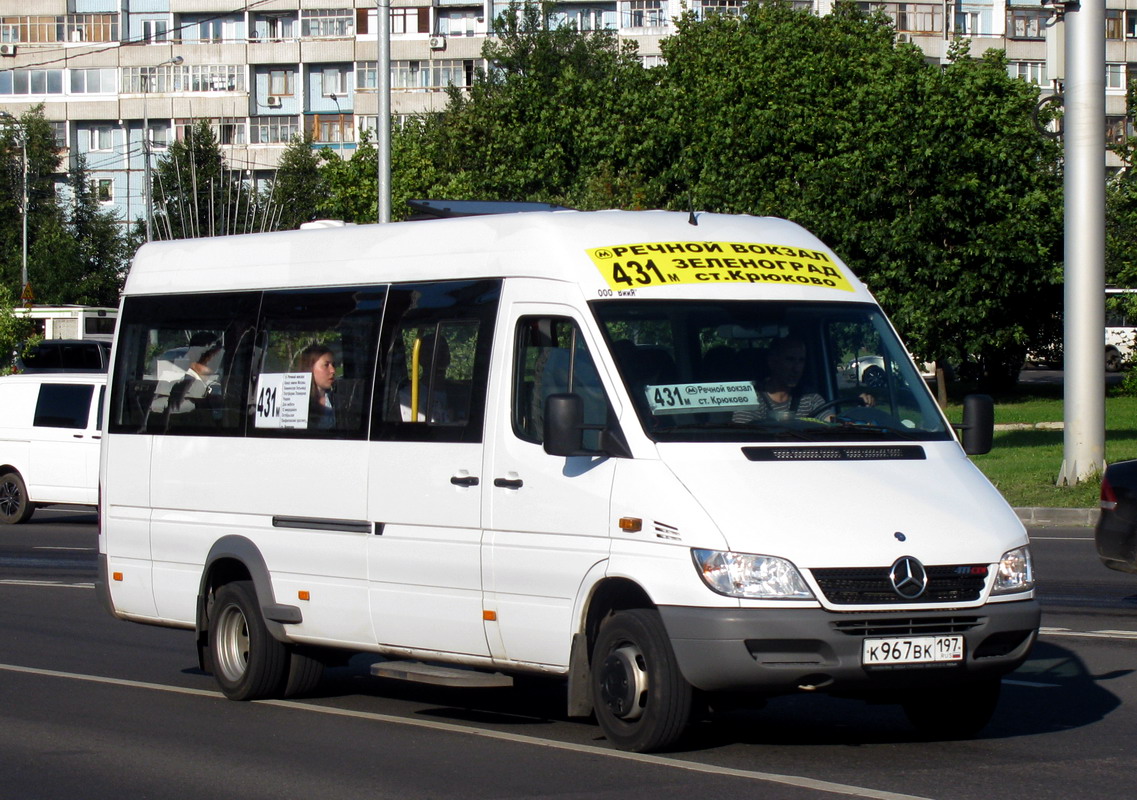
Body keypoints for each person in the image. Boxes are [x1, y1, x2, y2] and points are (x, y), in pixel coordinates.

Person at [398, 334, 451, 423]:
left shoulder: (459, 393)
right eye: (432, 352)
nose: (440, 356)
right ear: (420, 359)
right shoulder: (409, 397)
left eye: (443, 351)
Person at [297, 343, 336, 429]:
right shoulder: (297, 404)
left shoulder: (338, 398)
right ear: (310, 368)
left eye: (333, 365)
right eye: (326, 365)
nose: (333, 370)